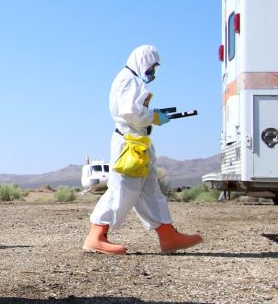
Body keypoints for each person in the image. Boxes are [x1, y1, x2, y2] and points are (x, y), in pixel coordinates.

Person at [83, 44, 203, 255]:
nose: (152, 72)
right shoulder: (127, 80)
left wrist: (152, 114)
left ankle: (168, 235)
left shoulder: (132, 80)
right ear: (142, 62)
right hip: (129, 145)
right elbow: (131, 112)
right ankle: (97, 235)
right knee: (122, 190)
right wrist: (153, 117)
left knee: (149, 190)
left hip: (138, 143)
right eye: (151, 67)